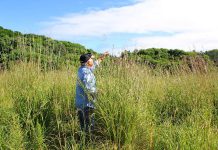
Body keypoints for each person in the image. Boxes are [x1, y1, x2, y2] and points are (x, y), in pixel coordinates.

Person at [75, 52, 109, 133]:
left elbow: (94, 65)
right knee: (89, 127)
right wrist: (100, 91)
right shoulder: (86, 73)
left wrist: (102, 57)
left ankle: (83, 140)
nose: (93, 60)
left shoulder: (83, 69)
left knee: (83, 126)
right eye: (91, 59)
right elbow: (89, 89)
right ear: (87, 61)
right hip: (87, 104)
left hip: (80, 103)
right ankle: (88, 142)